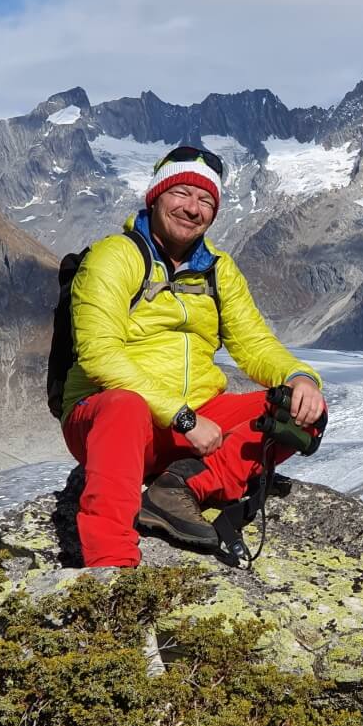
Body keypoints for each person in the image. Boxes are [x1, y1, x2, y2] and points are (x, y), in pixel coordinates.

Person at [60, 146, 325, 568]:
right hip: (109, 419)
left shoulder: (218, 270)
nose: (193, 208)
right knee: (125, 406)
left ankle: (179, 489)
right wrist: (181, 416)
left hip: (196, 419)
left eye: (206, 200)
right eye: (182, 193)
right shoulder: (115, 256)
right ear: (156, 196)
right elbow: (100, 356)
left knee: (297, 412)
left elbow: (254, 344)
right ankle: (110, 563)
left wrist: (300, 377)